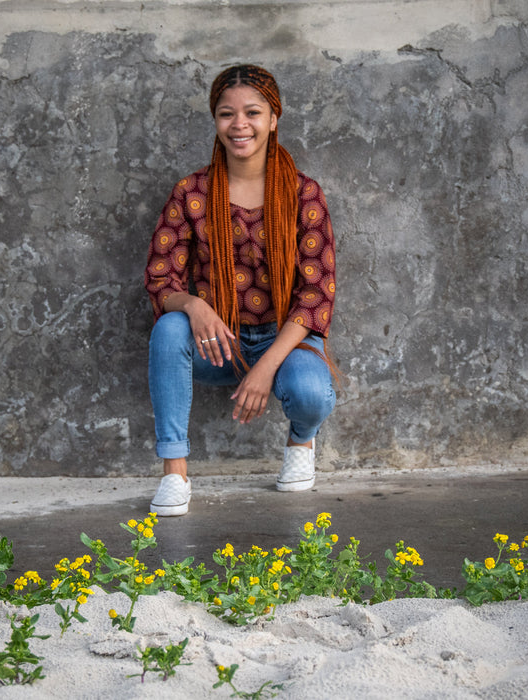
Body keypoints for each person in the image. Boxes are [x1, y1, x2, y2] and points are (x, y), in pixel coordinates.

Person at [144, 64, 337, 516]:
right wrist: (195, 307)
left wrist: (265, 367)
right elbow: (159, 278)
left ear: (274, 118)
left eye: (253, 112)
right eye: (227, 114)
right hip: (220, 342)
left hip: (286, 341)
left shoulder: (303, 193)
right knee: (170, 328)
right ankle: (174, 474)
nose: (240, 125)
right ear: (215, 120)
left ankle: (301, 443)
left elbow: (315, 297)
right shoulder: (192, 192)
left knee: (311, 393)